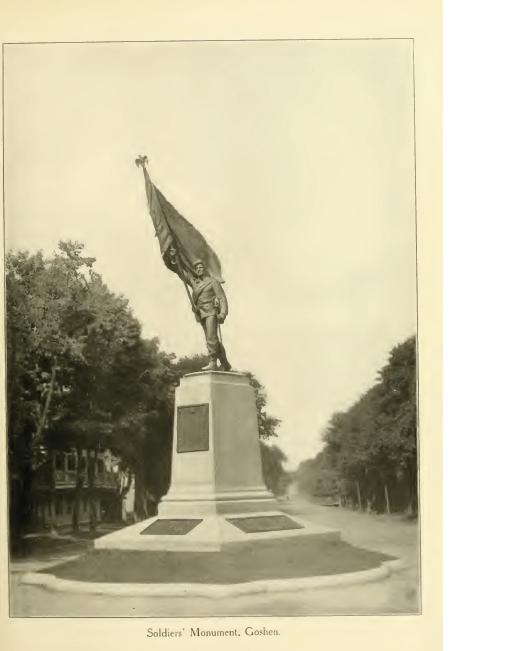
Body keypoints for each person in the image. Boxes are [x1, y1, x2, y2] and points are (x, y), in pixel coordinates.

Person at [167, 249, 231, 371]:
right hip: (201, 313)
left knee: (211, 338)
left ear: (205, 269)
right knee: (213, 339)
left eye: (201, 268)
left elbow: (222, 298)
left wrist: (223, 313)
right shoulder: (195, 283)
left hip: (212, 311)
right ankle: (225, 362)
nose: (199, 270)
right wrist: (175, 259)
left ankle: (213, 361)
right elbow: (181, 273)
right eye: (197, 268)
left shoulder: (213, 282)